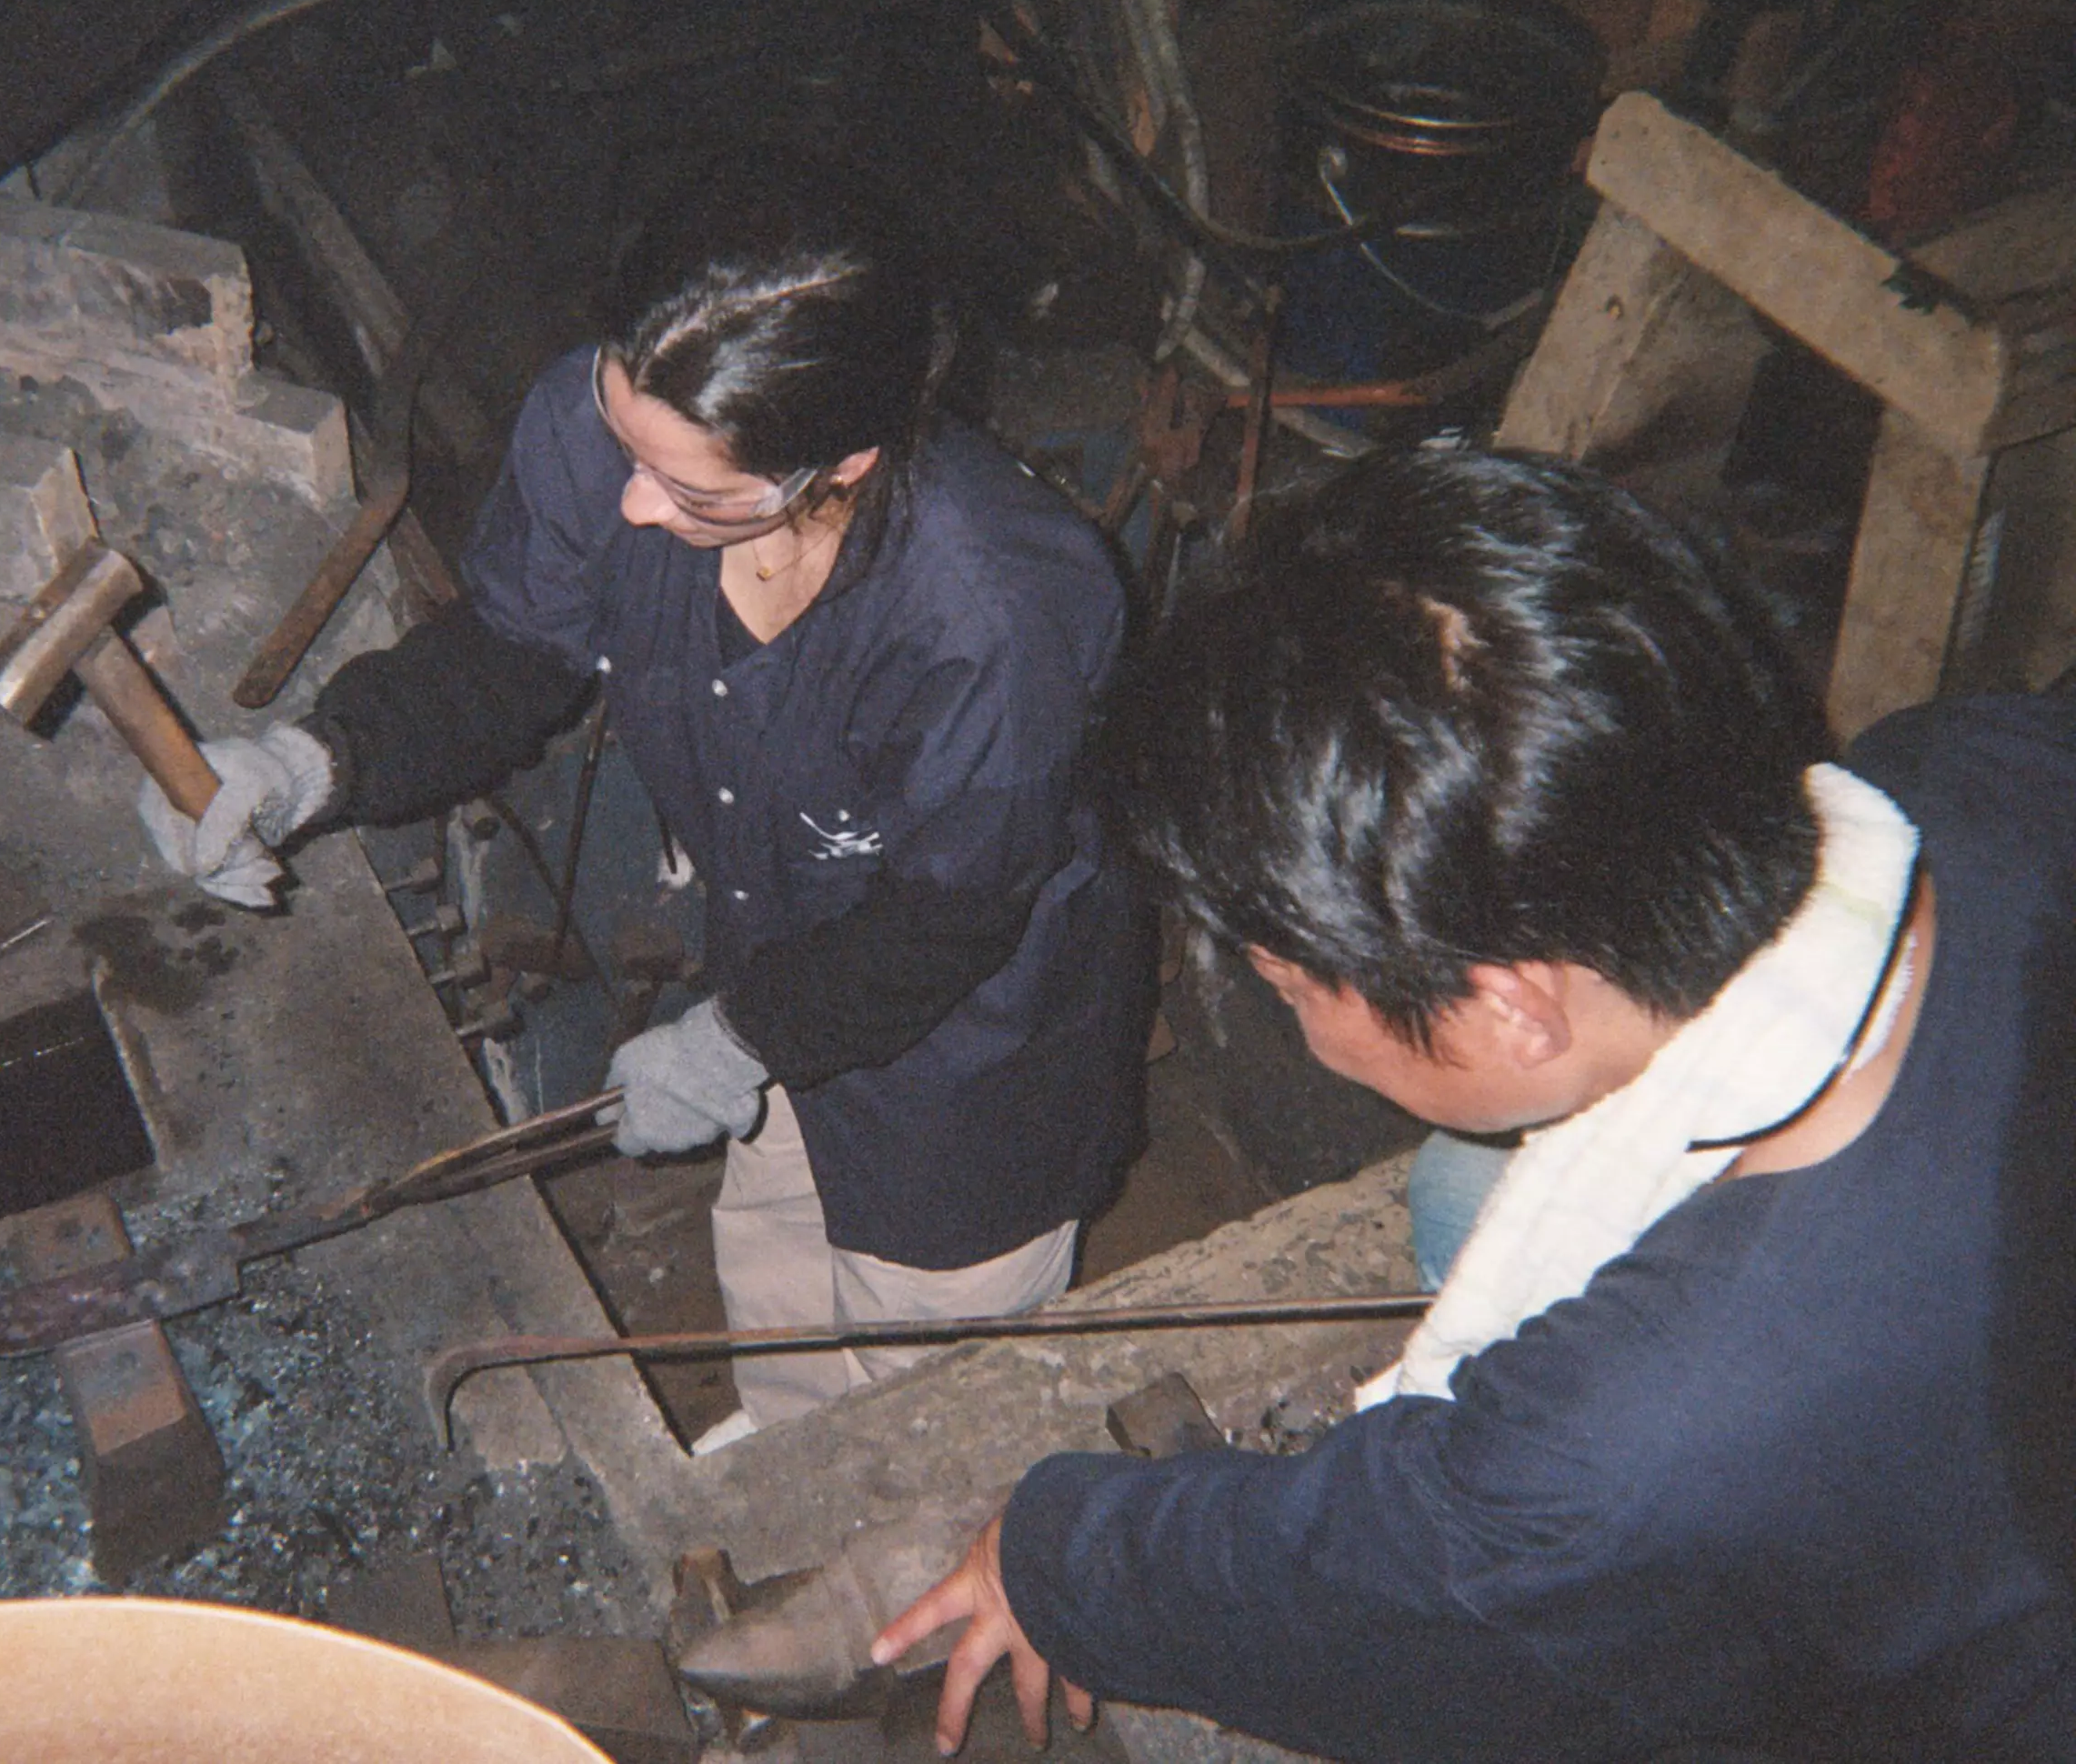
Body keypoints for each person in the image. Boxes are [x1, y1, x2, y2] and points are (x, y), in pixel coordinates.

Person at [877, 448, 2076, 1759]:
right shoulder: (1979, 763)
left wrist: (1052, 1554)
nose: (1291, 1014)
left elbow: (1358, 1603)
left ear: (1512, 1007)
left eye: (1286, 980)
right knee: (1460, 1188)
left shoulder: (1617, 1451)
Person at [142, 154, 1152, 1442]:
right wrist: (314, 761)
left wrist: (738, 1040)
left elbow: (944, 920)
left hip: (964, 1061)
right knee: (780, 1248)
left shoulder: (993, 611)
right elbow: (515, 647)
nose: (630, 500)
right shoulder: (599, 420)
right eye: (627, 443)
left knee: (930, 1379)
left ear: (836, 463)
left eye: (690, 491)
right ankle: (792, 1445)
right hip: (777, 970)